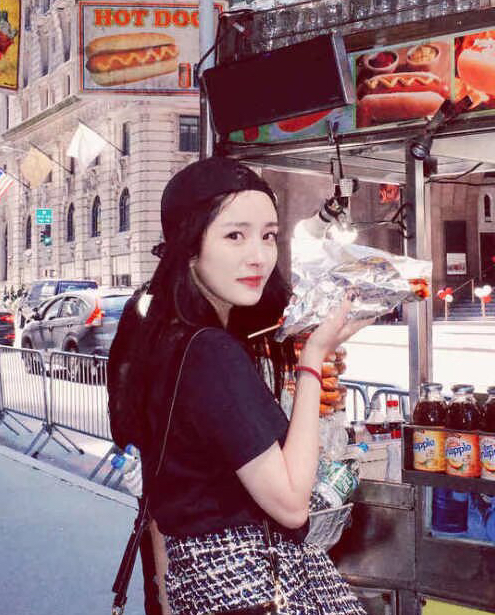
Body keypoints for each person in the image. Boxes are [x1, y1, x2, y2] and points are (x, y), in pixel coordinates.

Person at [108, 156, 367, 615]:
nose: (259, 256)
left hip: (198, 586)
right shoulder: (210, 352)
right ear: (190, 245)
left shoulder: (167, 337)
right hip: (250, 588)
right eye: (234, 235)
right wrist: (313, 358)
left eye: (268, 235)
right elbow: (292, 504)